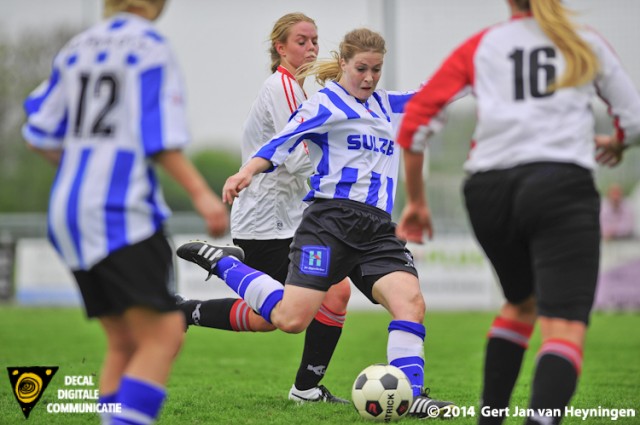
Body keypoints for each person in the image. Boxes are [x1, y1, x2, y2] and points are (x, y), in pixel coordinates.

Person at [177, 27, 455, 419]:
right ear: (343, 63)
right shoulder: (326, 103)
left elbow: (435, 95)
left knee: (410, 303)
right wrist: (246, 172)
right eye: (361, 68)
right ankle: (224, 263)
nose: (369, 78)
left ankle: (412, 396)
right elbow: (282, 141)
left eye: (376, 69)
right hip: (330, 224)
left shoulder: (388, 105)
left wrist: (477, 74)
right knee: (290, 320)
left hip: (377, 230)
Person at [395, 1, 640, 424]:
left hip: (488, 189)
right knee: (562, 327)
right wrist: (617, 142)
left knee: (520, 304)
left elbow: (415, 122)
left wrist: (416, 201)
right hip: (559, 185)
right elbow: (633, 121)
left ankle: (490, 418)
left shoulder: (482, 44)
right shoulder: (583, 42)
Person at [21, 1, 229, 424]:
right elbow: (160, 139)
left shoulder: (76, 48)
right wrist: (203, 195)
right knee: (164, 333)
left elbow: (38, 130)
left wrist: (83, 166)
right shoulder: (150, 46)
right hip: (121, 212)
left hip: (67, 211)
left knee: (124, 342)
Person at [176, 12, 352, 404]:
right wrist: (346, 169)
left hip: (280, 221)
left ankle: (185, 312)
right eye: (301, 41)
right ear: (280, 48)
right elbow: (297, 158)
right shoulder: (283, 87)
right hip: (267, 224)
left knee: (272, 317)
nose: (310, 47)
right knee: (330, 295)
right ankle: (305, 389)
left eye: (314, 41)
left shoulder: (297, 91)